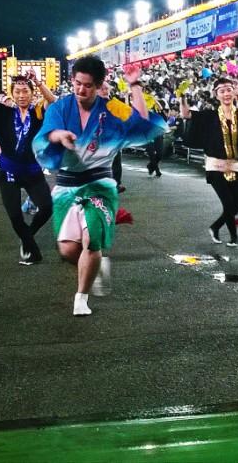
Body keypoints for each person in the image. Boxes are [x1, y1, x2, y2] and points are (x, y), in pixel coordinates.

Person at [33, 56, 167, 317]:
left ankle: (81, 297)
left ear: (98, 85)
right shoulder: (60, 107)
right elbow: (48, 132)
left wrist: (135, 85)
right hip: (66, 184)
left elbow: (141, 121)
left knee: (92, 240)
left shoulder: (112, 109)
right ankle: (93, 265)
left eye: (87, 85)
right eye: (77, 83)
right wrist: (59, 135)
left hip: (100, 184)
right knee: (68, 248)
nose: (81, 89)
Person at [0, 59, 56, 264]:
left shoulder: (38, 112)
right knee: (15, 216)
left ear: (31, 93)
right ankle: (31, 248)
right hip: (9, 170)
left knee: (47, 208)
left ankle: (27, 236)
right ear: (12, 93)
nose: (21, 95)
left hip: (33, 170)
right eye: (17, 92)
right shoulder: (4, 112)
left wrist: (37, 81)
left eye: (25, 91)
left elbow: (52, 100)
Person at [181, 78, 238, 247]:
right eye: (222, 91)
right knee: (228, 203)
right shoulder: (209, 115)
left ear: (234, 92)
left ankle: (216, 226)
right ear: (216, 95)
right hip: (215, 166)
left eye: (229, 89)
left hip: (235, 165)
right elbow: (186, 114)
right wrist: (182, 97)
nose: (226, 93)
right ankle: (234, 238)